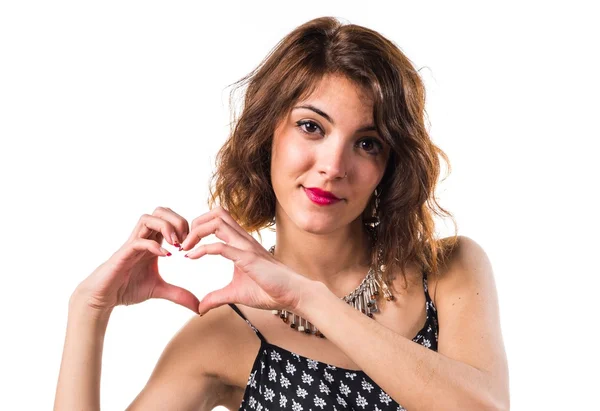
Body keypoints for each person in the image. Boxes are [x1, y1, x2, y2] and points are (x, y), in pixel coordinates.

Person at [54, 16, 509, 411]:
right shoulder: (222, 337)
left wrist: (307, 298)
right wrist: (87, 312)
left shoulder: (448, 270)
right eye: (311, 127)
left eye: (367, 143)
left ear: (389, 167)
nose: (333, 167)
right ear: (267, 134)